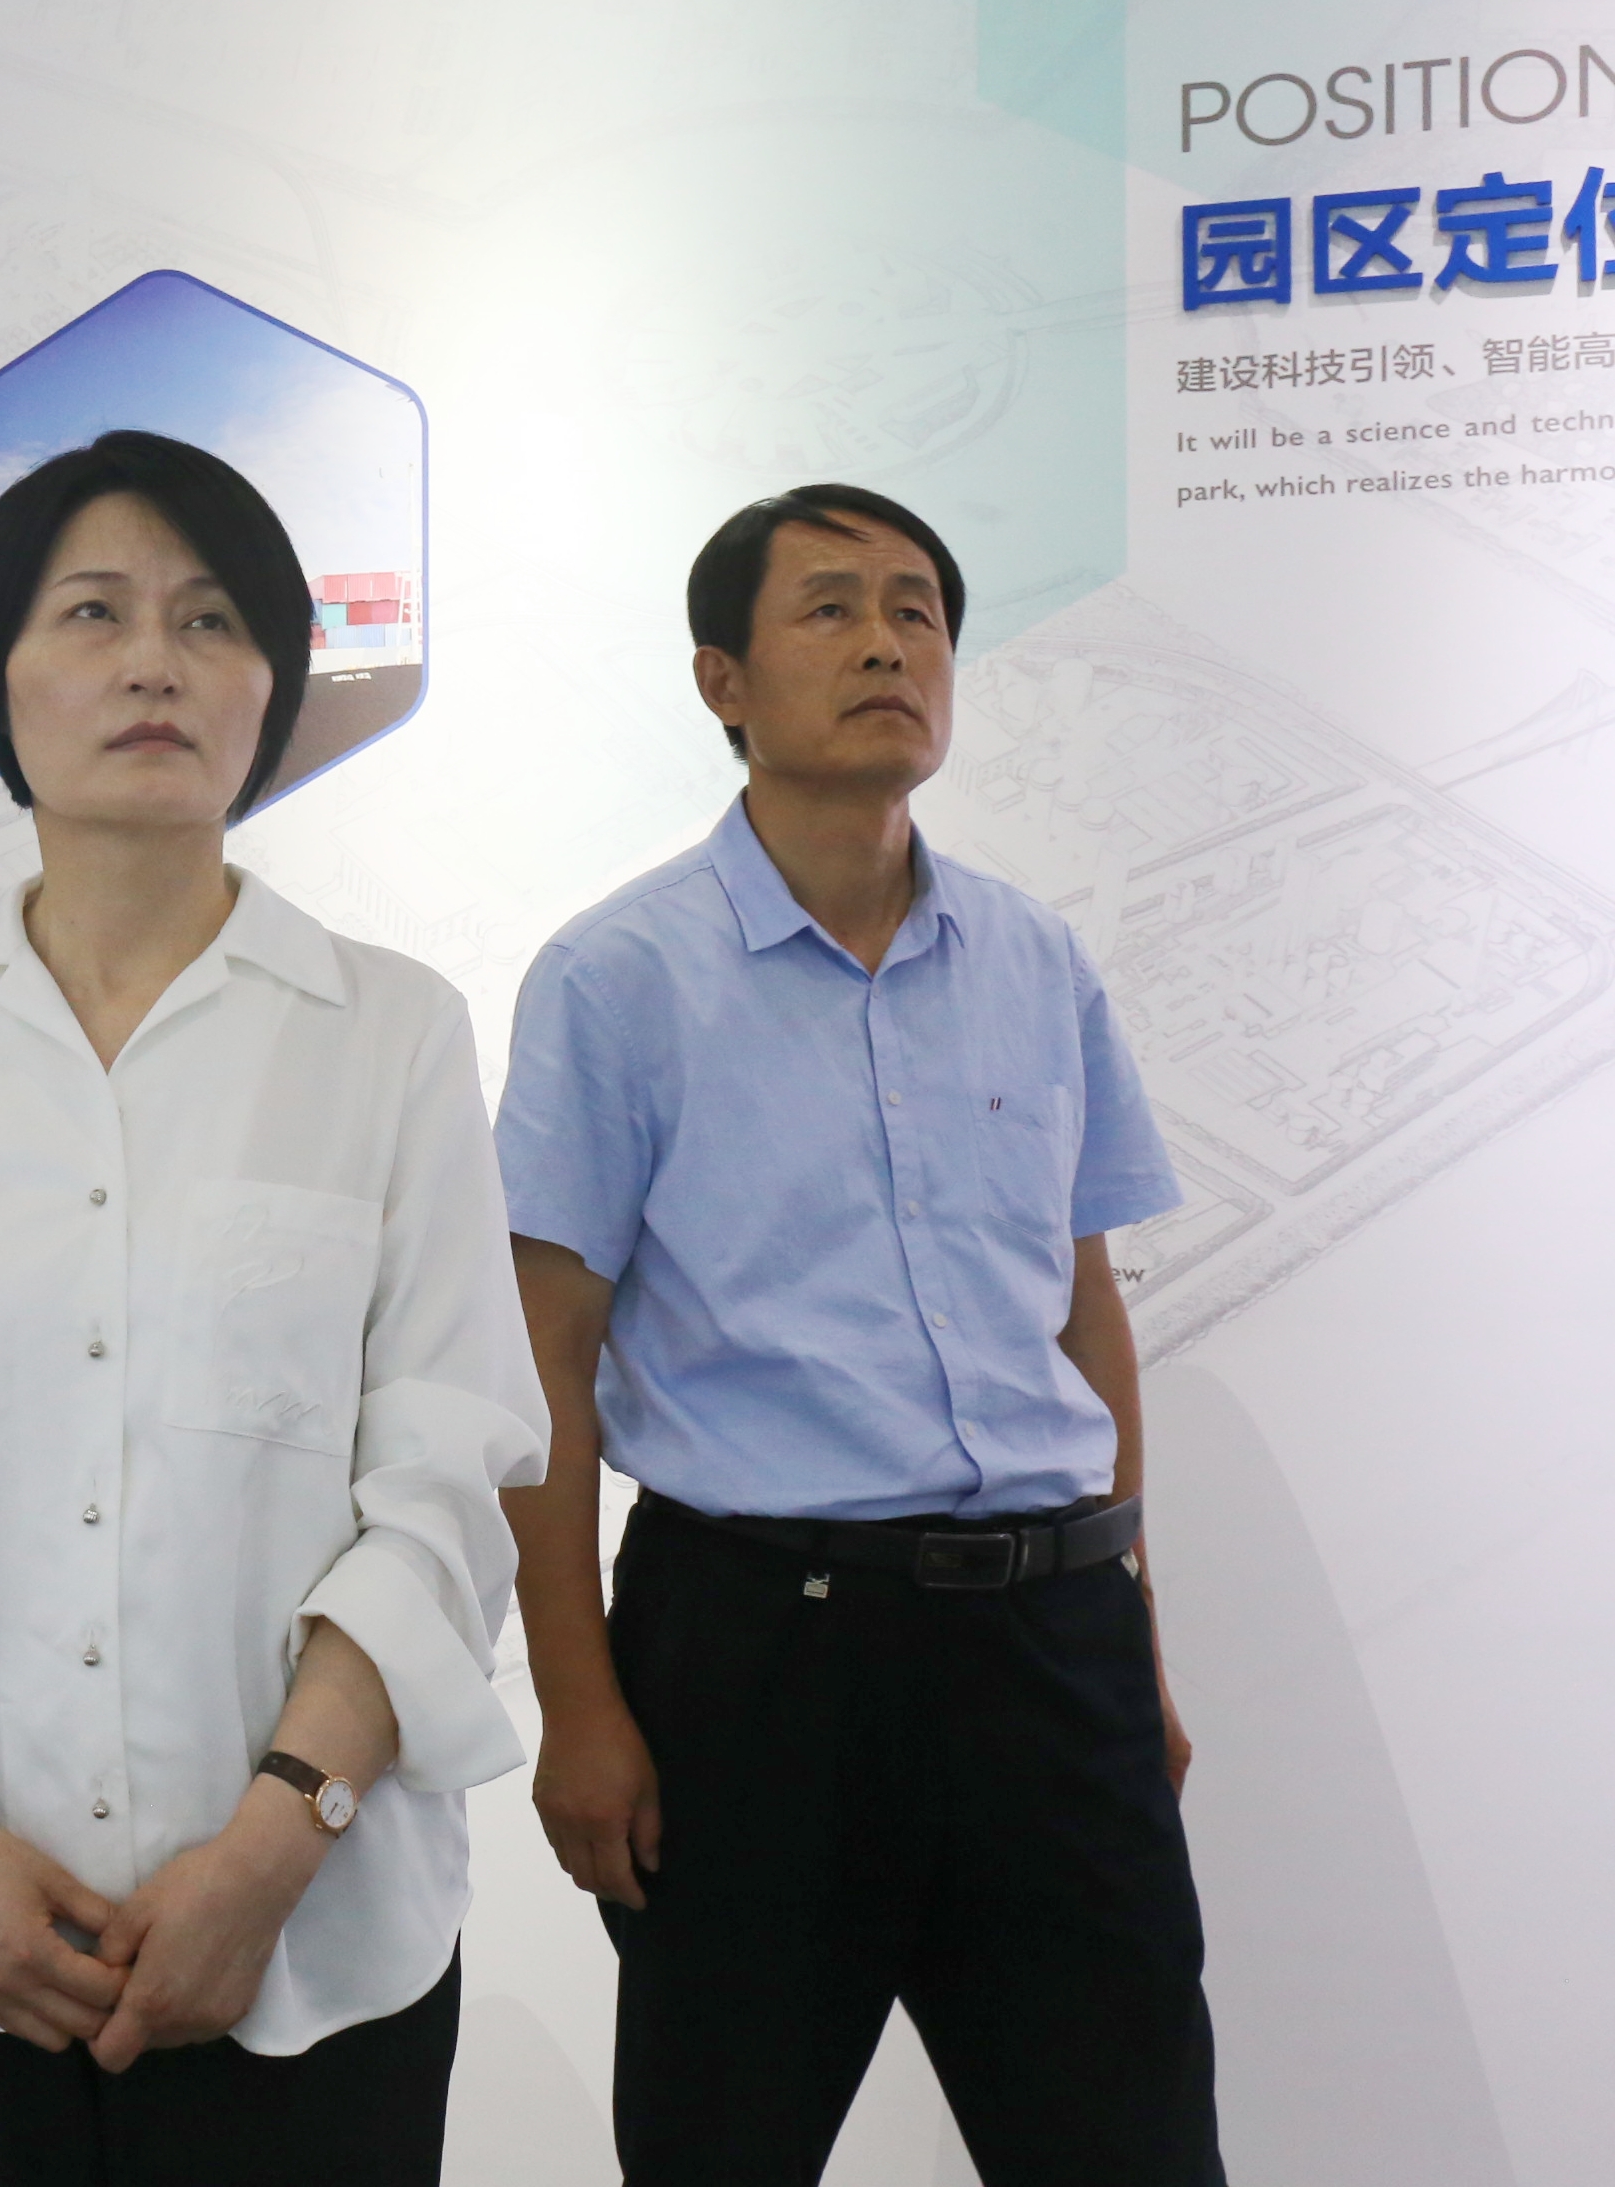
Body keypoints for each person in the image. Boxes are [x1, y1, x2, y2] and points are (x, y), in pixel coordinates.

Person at [0, 431, 544, 2185]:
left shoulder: (387, 1034)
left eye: (211, 620)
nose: (156, 661)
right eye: (93, 613)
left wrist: (269, 1848)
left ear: (270, 690)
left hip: (311, 1943)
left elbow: (445, 1493)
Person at [494, 485, 1221, 2184]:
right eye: (828, 607)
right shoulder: (616, 977)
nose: (887, 643)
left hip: (1052, 1653)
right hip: (760, 1660)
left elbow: (1082, 1313)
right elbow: (543, 1364)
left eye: (916, 610)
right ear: (720, 679)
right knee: (722, 2148)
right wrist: (576, 1708)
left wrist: (1135, 1641)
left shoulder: (1033, 959)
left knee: (1130, 2151)